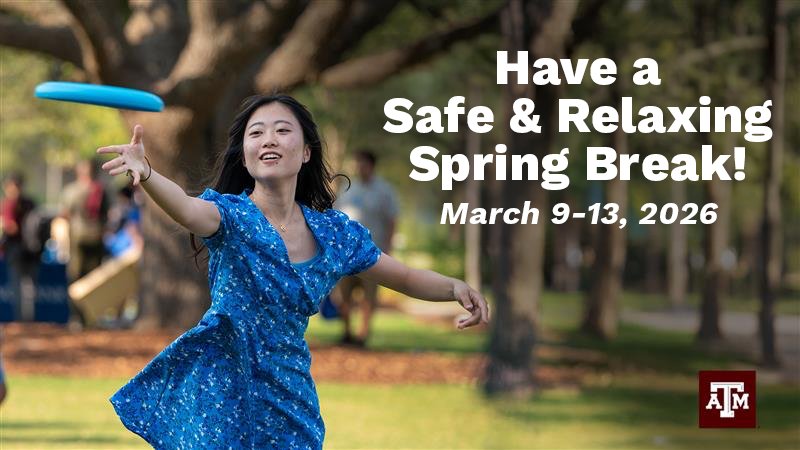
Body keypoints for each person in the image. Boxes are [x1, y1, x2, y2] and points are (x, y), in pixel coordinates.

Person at [97, 94, 489, 449]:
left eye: (283, 131)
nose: (268, 139)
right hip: (221, 387)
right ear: (245, 155)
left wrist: (454, 287)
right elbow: (185, 207)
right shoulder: (230, 216)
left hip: (288, 389)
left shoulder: (335, 233)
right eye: (257, 133)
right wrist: (146, 172)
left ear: (305, 152)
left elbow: (402, 276)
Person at [334, 149, 398, 346]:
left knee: (369, 296)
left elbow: (392, 220)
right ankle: (347, 332)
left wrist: (388, 246)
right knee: (341, 295)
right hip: (346, 253)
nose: (360, 167)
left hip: (373, 253)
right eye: (357, 163)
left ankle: (363, 335)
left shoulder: (384, 191)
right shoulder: (348, 188)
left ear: (372, 165)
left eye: (363, 163)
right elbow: (336, 217)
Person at [61, 160, 109, 280]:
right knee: (94, 277)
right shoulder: (101, 189)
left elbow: (65, 214)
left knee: (77, 275)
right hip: (96, 235)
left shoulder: (71, 190)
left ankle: (77, 298)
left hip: (79, 236)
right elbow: (107, 214)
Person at [0, 173, 38, 318]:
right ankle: (29, 318)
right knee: (29, 287)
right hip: (33, 250)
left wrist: (3, 224)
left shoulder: (9, 204)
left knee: (17, 287)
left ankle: (22, 319)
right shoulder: (31, 202)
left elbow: (12, 227)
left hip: (16, 249)